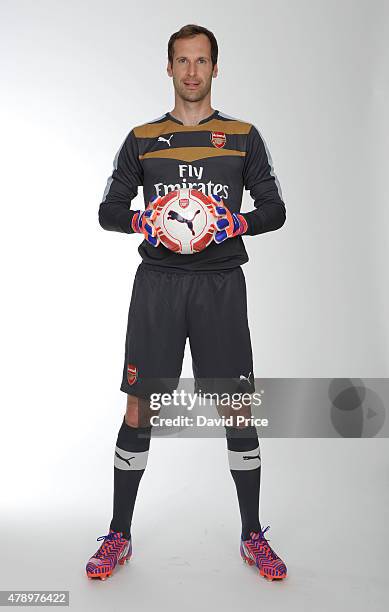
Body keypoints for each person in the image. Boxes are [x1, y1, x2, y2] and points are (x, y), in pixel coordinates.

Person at [86, 24, 287, 582]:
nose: (193, 72)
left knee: (236, 408)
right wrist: (139, 219)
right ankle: (118, 536)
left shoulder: (243, 136)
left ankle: (252, 536)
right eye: (183, 61)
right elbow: (108, 209)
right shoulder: (143, 137)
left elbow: (274, 208)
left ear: (216, 69)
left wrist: (236, 222)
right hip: (159, 285)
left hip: (221, 284)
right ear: (169, 68)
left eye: (202, 61)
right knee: (139, 407)